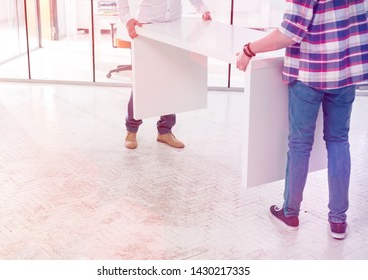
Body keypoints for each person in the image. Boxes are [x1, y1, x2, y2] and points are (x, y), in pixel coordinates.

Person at [236, 0, 368, 239]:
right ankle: (338, 221)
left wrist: (249, 49)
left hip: (310, 72)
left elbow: (289, 33)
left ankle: (291, 212)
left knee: (299, 144)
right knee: (339, 141)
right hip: (346, 72)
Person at [116, 0, 212, 149]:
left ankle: (165, 132)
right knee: (143, 82)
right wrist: (127, 19)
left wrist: (203, 9)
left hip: (173, 28)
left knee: (170, 80)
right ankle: (131, 130)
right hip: (146, 27)